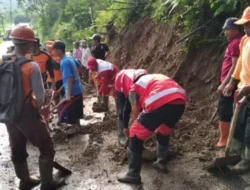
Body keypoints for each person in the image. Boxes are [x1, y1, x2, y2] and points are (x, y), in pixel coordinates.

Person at [5, 25, 65, 190]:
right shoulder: (32, 66)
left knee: (17, 147)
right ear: (30, 44)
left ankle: (25, 181)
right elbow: (39, 97)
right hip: (26, 113)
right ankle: (47, 183)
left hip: (9, 114)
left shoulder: (4, 62)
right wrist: (39, 110)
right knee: (46, 147)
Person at [117, 74, 186, 184]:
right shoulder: (153, 79)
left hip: (159, 99)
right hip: (180, 100)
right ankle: (161, 161)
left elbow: (136, 111)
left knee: (135, 132)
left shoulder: (134, 88)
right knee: (164, 130)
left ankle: (133, 174)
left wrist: (139, 131)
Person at [223, 7, 250, 174]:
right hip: (243, 92)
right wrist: (233, 82)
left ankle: (247, 161)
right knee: (238, 125)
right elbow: (240, 62)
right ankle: (238, 154)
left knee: (249, 131)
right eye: (245, 25)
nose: (245, 29)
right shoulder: (245, 40)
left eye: (248, 25)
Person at [216, 17, 242, 148]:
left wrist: (225, 84)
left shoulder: (235, 43)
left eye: (227, 29)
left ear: (234, 29)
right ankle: (225, 138)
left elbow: (234, 65)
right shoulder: (236, 41)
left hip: (230, 84)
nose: (225, 32)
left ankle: (224, 140)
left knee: (224, 110)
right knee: (226, 110)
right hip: (232, 82)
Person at [52, 41, 84, 127]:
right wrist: (59, 90)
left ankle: (74, 127)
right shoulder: (69, 56)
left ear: (59, 50)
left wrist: (68, 95)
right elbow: (78, 66)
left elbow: (69, 78)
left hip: (73, 91)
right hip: (77, 89)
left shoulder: (64, 62)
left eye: (53, 50)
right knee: (76, 109)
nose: (52, 52)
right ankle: (78, 127)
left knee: (68, 110)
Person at [115, 69, 148, 145]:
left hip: (130, 77)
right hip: (120, 82)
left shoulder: (148, 81)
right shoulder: (133, 89)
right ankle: (121, 134)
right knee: (123, 108)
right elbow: (127, 108)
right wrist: (126, 127)